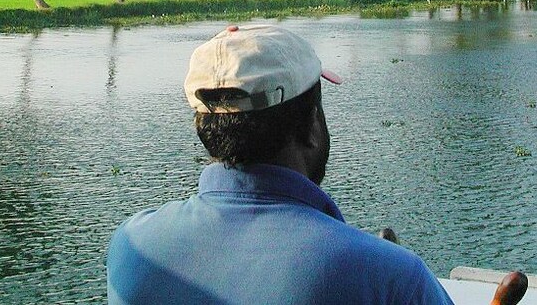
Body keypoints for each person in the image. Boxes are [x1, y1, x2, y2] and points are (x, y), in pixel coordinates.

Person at [107, 24, 454, 304]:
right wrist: (379, 266)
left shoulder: (131, 246)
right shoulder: (390, 276)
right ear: (312, 126)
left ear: (205, 130)